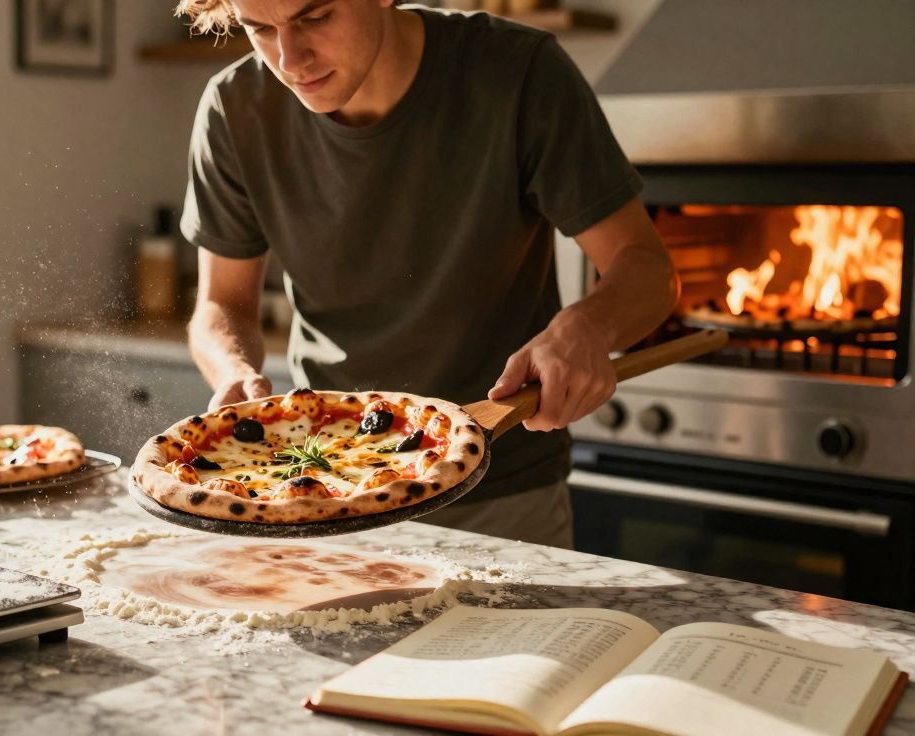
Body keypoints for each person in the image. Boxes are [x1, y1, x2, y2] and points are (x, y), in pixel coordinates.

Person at [176, 0, 678, 549]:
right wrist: (232, 373)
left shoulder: (518, 72)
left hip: (502, 493)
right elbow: (222, 304)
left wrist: (587, 326)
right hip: (325, 488)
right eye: (260, 29)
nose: (290, 59)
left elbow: (647, 269)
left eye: (315, 17)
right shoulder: (234, 106)